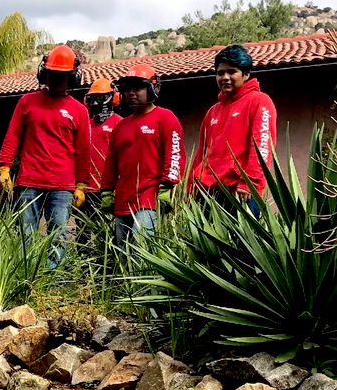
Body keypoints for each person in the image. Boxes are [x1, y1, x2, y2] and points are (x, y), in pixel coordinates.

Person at [0, 44, 91, 270]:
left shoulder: (79, 110)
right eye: (53, 75)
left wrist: (81, 184)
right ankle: (24, 274)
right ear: (44, 74)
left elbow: (83, 150)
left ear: (73, 77)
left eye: (64, 76)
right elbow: (13, 136)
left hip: (63, 186)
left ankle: (51, 279)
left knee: (57, 235)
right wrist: (4, 167)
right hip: (29, 182)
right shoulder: (27, 102)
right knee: (24, 234)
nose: (58, 80)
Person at [100, 63, 185, 245]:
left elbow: (175, 153)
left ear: (154, 88)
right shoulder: (121, 126)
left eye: (138, 87)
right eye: (127, 89)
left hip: (150, 197)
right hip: (123, 200)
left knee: (142, 248)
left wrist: (168, 186)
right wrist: (106, 191)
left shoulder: (166, 118)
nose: (131, 93)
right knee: (122, 251)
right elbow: (111, 163)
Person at [189, 44, 277, 215]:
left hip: (240, 192)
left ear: (246, 74)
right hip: (208, 193)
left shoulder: (260, 102)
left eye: (232, 71)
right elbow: (202, 152)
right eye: (220, 73)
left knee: (238, 242)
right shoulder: (212, 111)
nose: (225, 77)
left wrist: (248, 184)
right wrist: (192, 185)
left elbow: (262, 147)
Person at [84, 78, 123, 206]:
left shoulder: (121, 124)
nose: (95, 103)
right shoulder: (85, 126)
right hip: (87, 189)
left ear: (113, 98)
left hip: (111, 189)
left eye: (100, 98)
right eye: (92, 99)